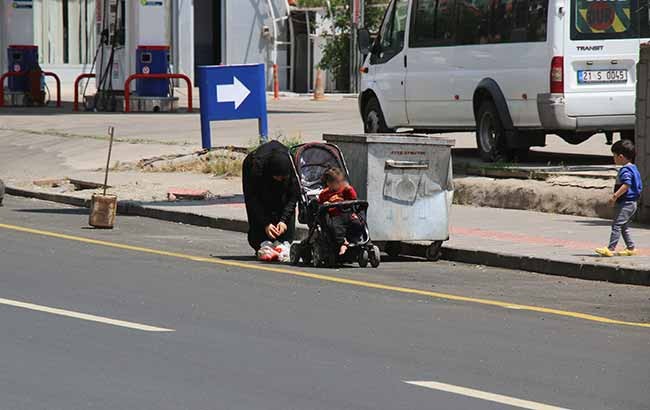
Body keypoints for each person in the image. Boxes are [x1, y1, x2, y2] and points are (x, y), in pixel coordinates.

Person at [242, 141, 299, 252]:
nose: (280, 180)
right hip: (259, 179)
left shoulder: (292, 167)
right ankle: (261, 242)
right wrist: (266, 223)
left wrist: (283, 221)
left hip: (283, 169)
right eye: (277, 177)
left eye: (282, 178)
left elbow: (293, 197)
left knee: (283, 199)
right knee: (263, 201)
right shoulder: (255, 167)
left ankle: (283, 241)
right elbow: (253, 199)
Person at [595, 140, 643, 257]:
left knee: (616, 225)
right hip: (632, 203)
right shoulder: (634, 168)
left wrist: (615, 196)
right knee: (623, 226)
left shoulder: (625, 170)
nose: (614, 158)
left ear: (621, 156)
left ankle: (610, 249)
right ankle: (631, 248)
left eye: (614, 156)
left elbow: (626, 185)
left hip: (625, 203)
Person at [318, 167, 363, 256]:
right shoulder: (324, 193)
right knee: (336, 228)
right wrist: (325, 204)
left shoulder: (345, 189)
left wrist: (349, 188)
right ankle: (343, 243)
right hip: (335, 215)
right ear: (329, 183)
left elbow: (353, 197)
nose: (340, 184)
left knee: (358, 224)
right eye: (337, 182)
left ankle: (352, 240)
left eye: (341, 181)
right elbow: (320, 204)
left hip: (347, 213)